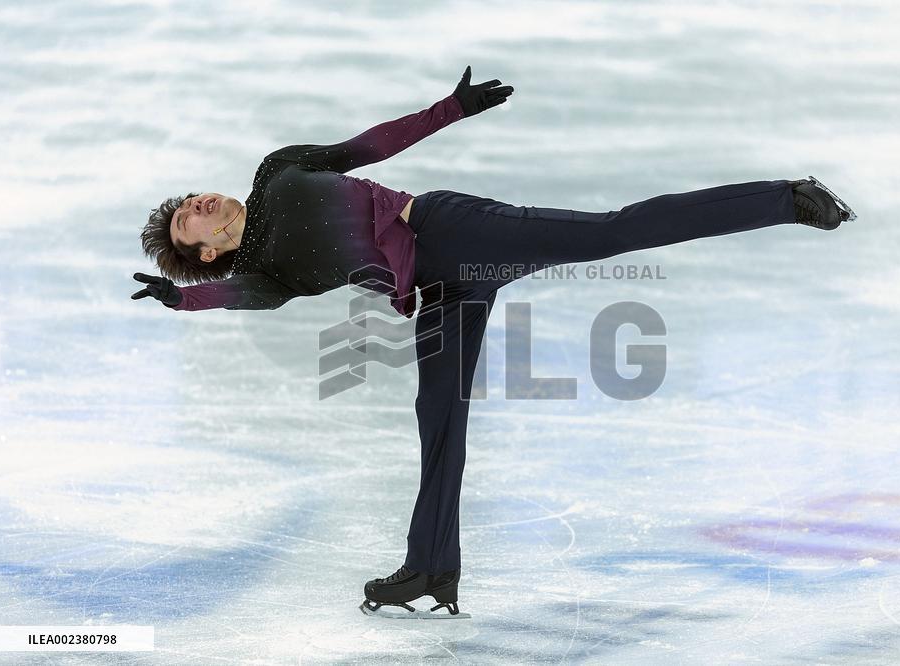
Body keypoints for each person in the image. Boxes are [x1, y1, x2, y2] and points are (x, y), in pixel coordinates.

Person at [132, 65, 854, 619]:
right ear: (201, 252)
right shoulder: (265, 273)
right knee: (437, 418)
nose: (194, 206)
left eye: (190, 201)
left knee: (611, 231)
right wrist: (185, 301)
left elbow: (366, 146)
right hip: (440, 290)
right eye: (184, 225)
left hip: (447, 228)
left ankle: (785, 198)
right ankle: (430, 570)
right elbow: (241, 296)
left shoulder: (276, 171)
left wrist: (451, 109)